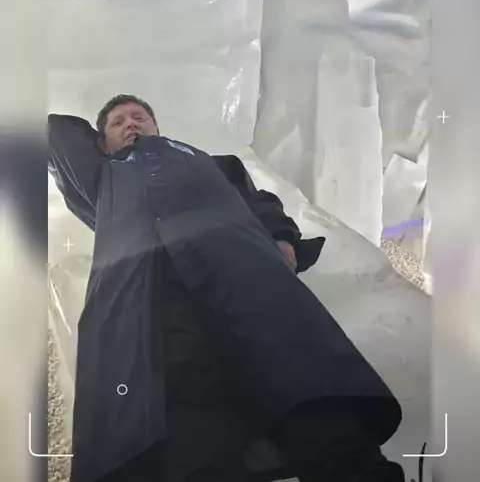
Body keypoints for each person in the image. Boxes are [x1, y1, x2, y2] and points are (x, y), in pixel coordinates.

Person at [48, 94, 408, 482]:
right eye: (118, 122)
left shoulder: (213, 163)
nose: (131, 124)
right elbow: (54, 131)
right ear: (101, 142)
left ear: (158, 127)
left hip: (237, 265)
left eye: (139, 117)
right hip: (147, 289)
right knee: (185, 411)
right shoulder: (101, 177)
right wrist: (105, 146)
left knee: (299, 381)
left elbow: (260, 201)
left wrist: (282, 237)